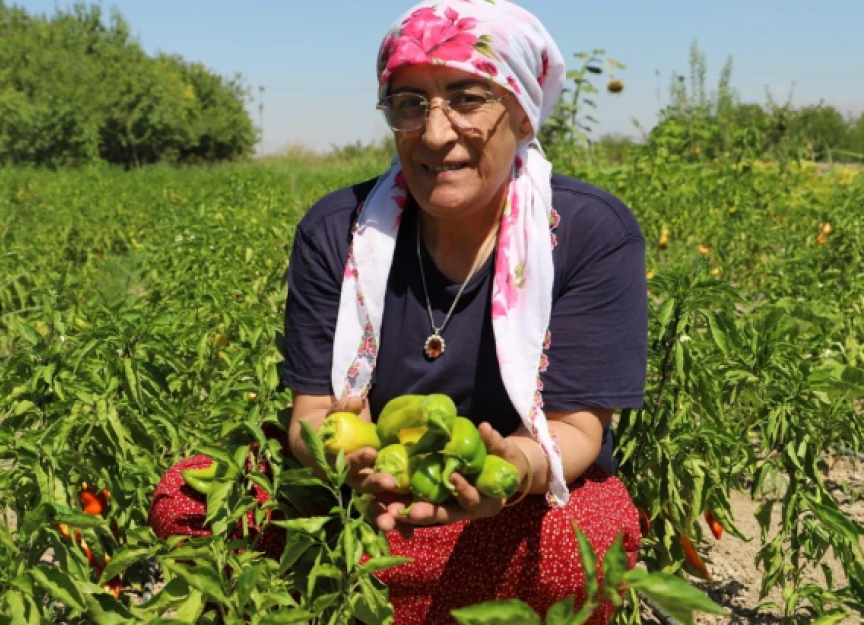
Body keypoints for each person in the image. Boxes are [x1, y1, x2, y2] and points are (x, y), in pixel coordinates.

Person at [149, 1, 647, 623]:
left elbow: (575, 432)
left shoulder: (585, 232)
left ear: (521, 113)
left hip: (509, 503)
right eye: (410, 104)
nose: (436, 133)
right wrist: (346, 463)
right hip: (358, 492)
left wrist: (510, 470)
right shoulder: (338, 230)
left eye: (468, 98)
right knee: (188, 499)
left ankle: (377, 597)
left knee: (584, 545)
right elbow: (313, 414)